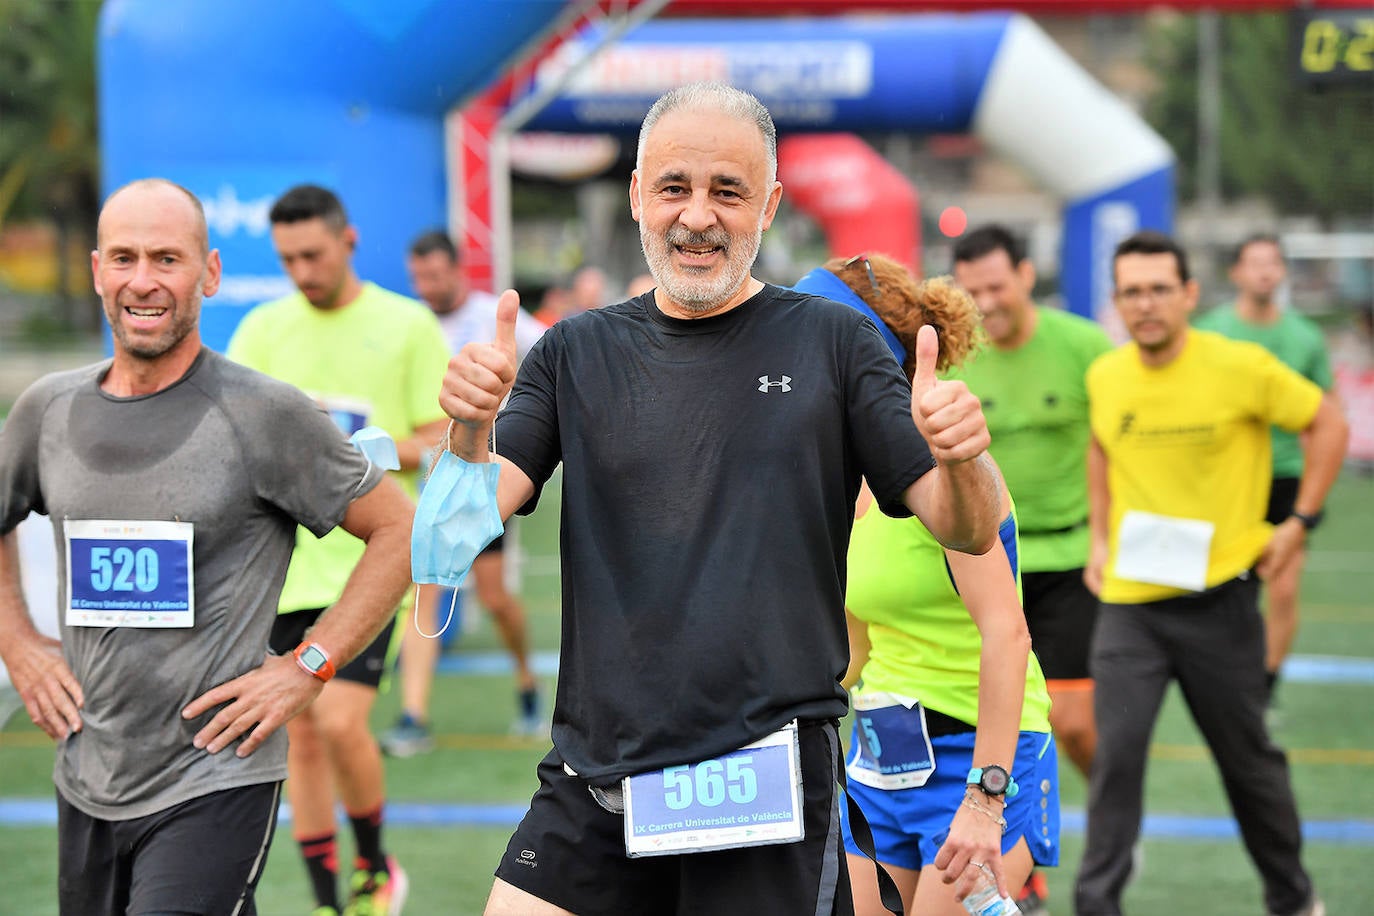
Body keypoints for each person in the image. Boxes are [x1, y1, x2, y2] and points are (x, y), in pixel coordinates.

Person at [438, 81, 1004, 916]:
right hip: (596, 775)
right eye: (674, 187)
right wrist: (466, 432)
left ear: (769, 205)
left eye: (727, 192)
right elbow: (453, 533)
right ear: (637, 194)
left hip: (759, 778)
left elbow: (969, 525)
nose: (697, 216)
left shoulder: (835, 342)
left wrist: (964, 459)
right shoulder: (575, 350)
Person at [0, 178, 414, 915]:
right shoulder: (47, 411)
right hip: (89, 773)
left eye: (167, 258)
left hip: (216, 778)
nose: (143, 281)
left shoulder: (265, 413)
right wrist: (19, 643)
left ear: (210, 272)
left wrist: (308, 666)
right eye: (124, 258)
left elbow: (398, 527)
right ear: (98, 269)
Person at [1076, 230, 1347, 916]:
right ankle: (1096, 905)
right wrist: (1100, 539)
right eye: (1132, 292)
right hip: (1131, 608)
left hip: (1221, 604)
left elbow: (1329, 424)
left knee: (1249, 767)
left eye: (1160, 289)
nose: (1147, 304)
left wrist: (1301, 523)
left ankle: (1294, 898)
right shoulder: (1107, 375)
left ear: (1189, 294)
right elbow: (1102, 449)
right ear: (1117, 302)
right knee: (1116, 765)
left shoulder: (1241, 366)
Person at [791, 255, 1060, 916]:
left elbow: (1008, 632)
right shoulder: (840, 474)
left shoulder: (946, 471)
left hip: (982, 755)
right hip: (879, 763)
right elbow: (854, 650)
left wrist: (985, 798)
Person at [229, 184, 451, 916]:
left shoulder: (408, 324)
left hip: (367, 562)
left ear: (348, 241)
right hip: (278, 572)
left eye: (313, 254)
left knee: (338, 719)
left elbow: (442, 435)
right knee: (300, 739)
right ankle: (330, 895)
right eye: (288, 258)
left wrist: (372, 455)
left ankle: (377, 868)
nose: (301, 271)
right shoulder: (260, 331)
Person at [947, 224, 1110, 915]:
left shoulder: (1083, 347)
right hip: (985, 565)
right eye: (972, 290)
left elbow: (1115, 445)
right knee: (990, 718)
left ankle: (1112, 813)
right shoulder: (957, 358)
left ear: (1025, 275)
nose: (987, 302)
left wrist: (1108, 537)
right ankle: (1025, 861)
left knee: (1072, 723)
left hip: (1071, 559)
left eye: (996, 285)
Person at [387, 229, 548, 753]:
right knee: (427, 591)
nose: (427, 286)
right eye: (419, 278)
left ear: (457, 270)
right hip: (434, 485)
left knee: (497, 598)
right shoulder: (410, 325)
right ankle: (413, 716)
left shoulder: (492, 315)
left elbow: (554, 354)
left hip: (490, 481)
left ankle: (527, 680)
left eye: (435, 275)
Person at [1194, 234, 1336, 706]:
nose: (1263, 272)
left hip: (1285, 478)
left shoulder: (1305, 338)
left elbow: (1327, 416)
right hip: (1226, 481)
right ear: (1235, 272)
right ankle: (1223, 678)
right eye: (1253, 263)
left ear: (1282, 272)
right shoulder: (1212, 331)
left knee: (1284, 588)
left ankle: (1264, 686)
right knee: (1226, 589)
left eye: (1272, 263)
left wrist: (1311, 501)